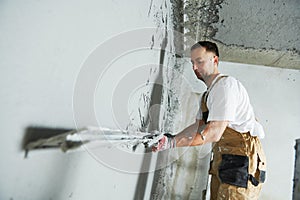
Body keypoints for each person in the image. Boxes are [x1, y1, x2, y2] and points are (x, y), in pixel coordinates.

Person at [152, 41, 267, 200]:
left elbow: (213, 133)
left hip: (242, 160)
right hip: (225, 158)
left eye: (199, 61)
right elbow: (198, 128)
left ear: (215, 60)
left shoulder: (225, 86)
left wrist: (173, 143)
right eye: (192, 63)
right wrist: (170, 138)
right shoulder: (208, 95)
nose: (194, 68)